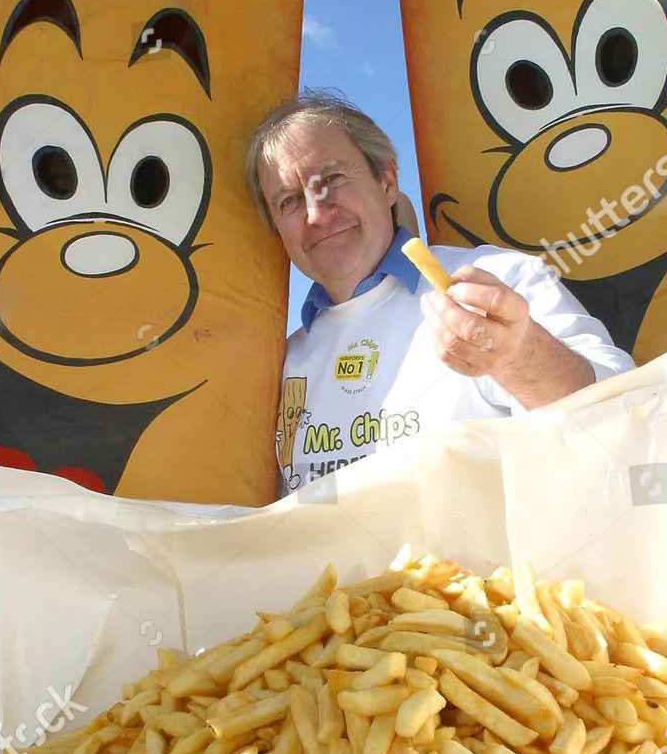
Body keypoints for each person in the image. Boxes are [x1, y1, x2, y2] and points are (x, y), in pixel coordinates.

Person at [246, 89, 634, 493]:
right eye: (289, 201)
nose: (316, 214)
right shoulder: (286, 361)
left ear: (387, 180)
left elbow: (623, 416)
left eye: (331, 180)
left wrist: (521, 356)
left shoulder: (496, 281)